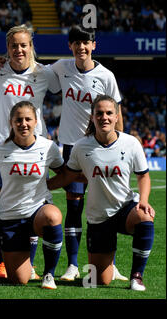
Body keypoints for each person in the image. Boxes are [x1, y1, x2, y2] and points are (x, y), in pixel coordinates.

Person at [47, 95, 155, 291]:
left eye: (108, 113)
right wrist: (42, 186)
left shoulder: (131, 143)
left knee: (144, 215)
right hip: (98, 217)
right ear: (92, 117)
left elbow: (143, 176)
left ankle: (136, 277)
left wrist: (144, 200)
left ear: (116, 117)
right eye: (99, 113)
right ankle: (107, 268)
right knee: (99, 281)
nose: (104, 117)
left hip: (125, 209)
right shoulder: (81, 146)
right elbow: (68, 176)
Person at [0, 24, 61, 279]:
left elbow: (73, 82)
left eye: (23, 45)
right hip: (3, 148)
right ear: (7, 48)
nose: (19, 49)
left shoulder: (45, 73)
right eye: (14, 45)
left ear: (31, 47)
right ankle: (3, 263)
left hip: (36, 146)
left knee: (34, 202)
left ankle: (33, 264)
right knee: (2, 205)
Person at [50, 26, 126, 281]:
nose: (81, 47)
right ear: (69, 46)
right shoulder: (61, 68)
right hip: (73, 148)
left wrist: (118, 147)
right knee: (74, 207)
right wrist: (1, 62)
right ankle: (72, 266)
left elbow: (117, 116)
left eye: (86, 42)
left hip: (101, 149)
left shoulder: (106, 76)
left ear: (94, 45)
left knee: (106, 207)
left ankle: (110, 265)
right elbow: (32, 72)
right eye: (76, 43)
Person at [0, 101, 64, 289]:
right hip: (10, 217)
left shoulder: (48, 147)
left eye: (28, 119)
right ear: (11, 122)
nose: (24, 123)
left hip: (37, 211)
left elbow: (65, 173)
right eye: (19, 120)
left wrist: (48, 185)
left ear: (36, 121)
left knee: (52, 216)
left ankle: (49, 274)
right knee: (18, 280)